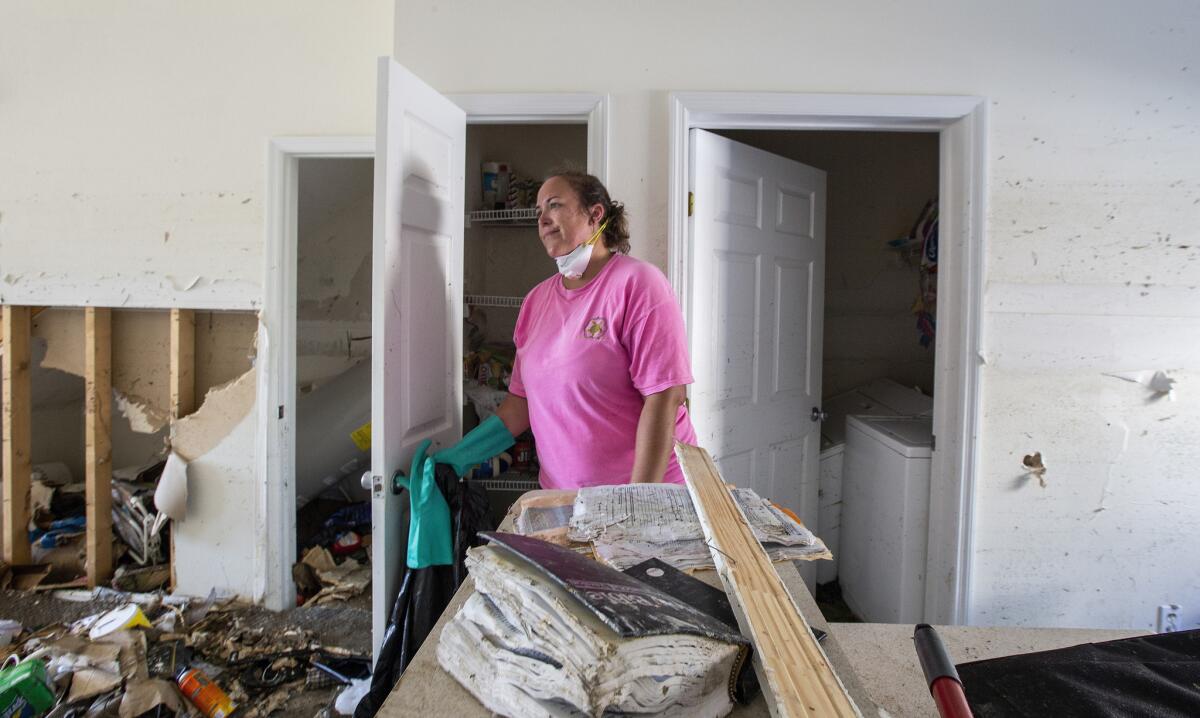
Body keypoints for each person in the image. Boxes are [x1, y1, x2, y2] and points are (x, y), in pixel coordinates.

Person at [435, 170, 698, 491]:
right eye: (538, 212)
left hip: (649, 497)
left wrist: (639, 498)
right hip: (564, 498)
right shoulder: (536, 300)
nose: (542, 219)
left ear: (595, 214)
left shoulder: (639, 284)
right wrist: (460, 456)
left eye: (555, 205)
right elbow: (520, 405)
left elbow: (666, 397)